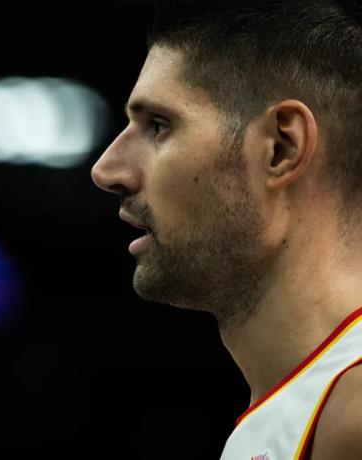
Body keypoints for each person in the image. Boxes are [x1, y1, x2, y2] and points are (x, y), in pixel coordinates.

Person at [90, 0, 362, 458]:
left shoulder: (353, 416)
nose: (106, 170)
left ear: (281, 147)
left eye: (158, 126)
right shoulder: (297, 410)